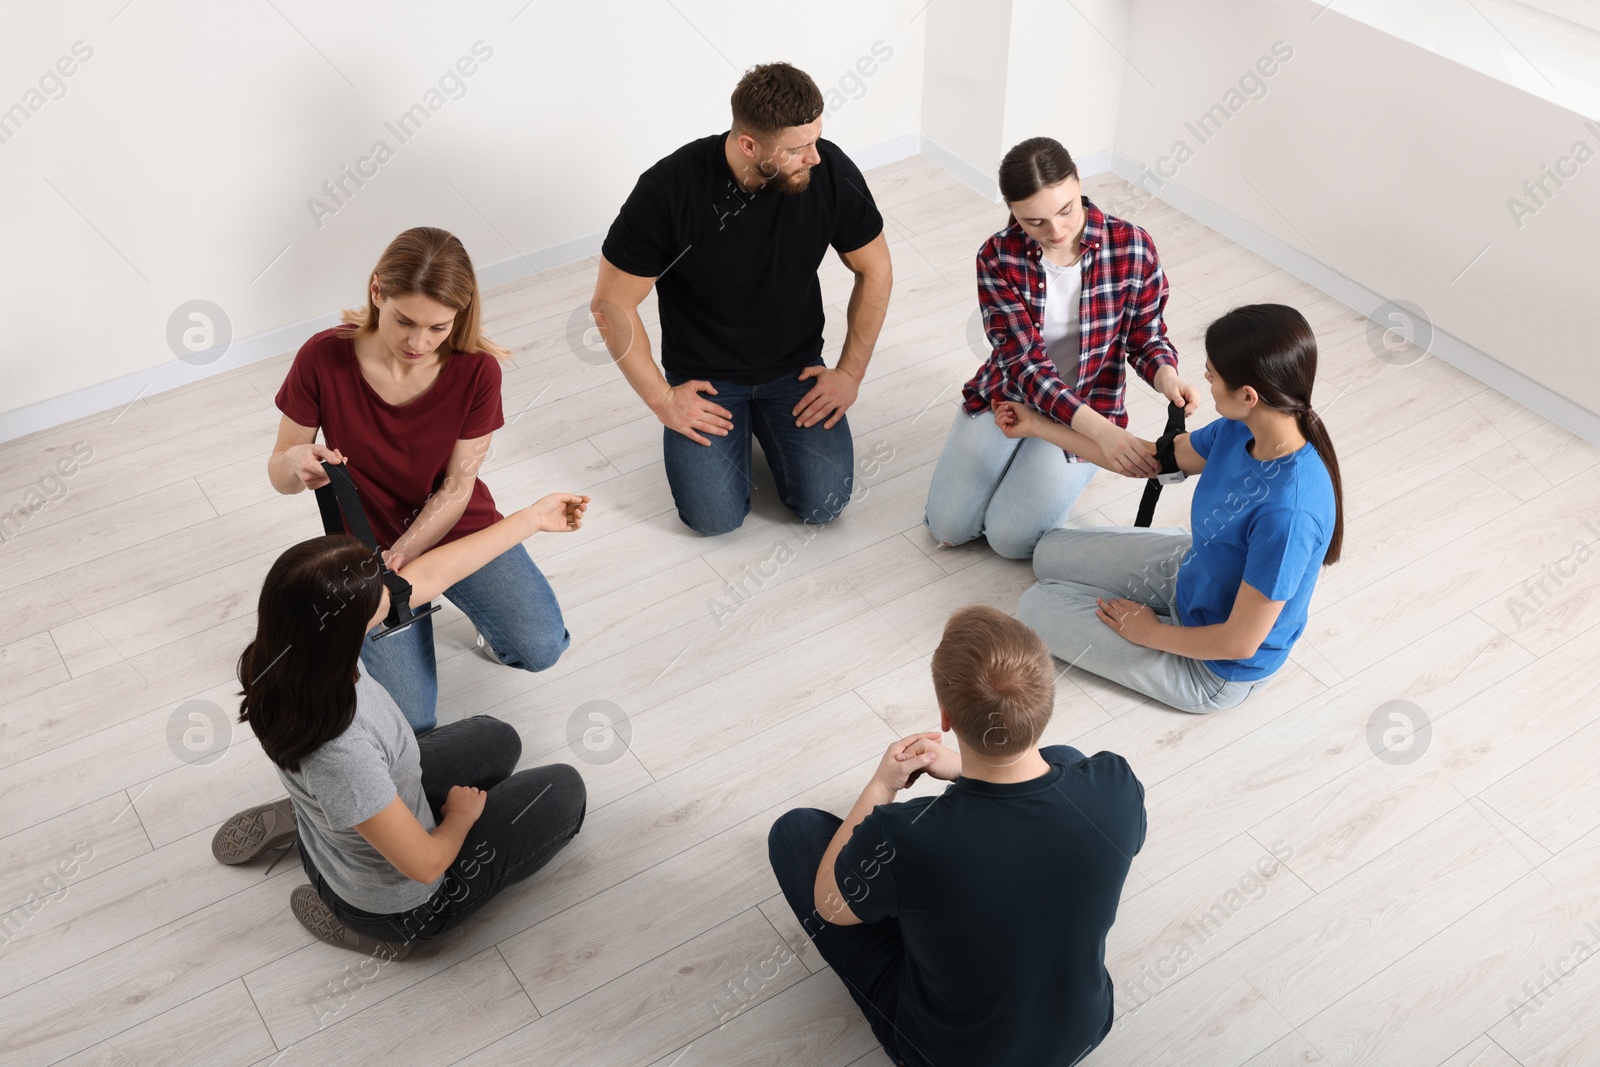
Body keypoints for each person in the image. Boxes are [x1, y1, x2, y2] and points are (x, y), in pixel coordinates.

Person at [215, 491, 591, 959]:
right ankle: (368, 929)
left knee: (500, 739)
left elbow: (433, 573)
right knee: (566, 790)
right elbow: (427, 865)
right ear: (352, 626)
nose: (391, 586)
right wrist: (458, 817)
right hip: (398, 904)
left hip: (344, 816)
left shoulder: (283, 655)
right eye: (379, 587)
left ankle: (324, 813)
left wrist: (533, 518)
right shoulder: (341, 751)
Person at [768, 605, 1146, 1066]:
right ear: (1047, 701)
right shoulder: (1117, 785)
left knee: (795, 833)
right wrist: (968, 771)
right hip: (1083, 1030)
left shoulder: (903, 837)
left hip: (950, 1055)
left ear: (946, 716)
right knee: (1065, 756)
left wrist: (882, 785)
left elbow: (831, 905)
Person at [269, 226, 573, 734]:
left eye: (437, 328)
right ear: (376, 292)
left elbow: (457, 487)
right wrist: (296, 459)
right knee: (412, 719)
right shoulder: (322, 356)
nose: (418, 342)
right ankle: (408, 615)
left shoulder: (478, 371)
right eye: (404, 321)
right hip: (364, 547)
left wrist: (408, 557)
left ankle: (458, 612)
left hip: (457, 527)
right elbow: (279, 472)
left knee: (542, 649)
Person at [591, 61, 893, 536]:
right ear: (749, 145)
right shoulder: (668, 190)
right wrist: (664, 400)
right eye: (798, 149)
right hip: (707, 381)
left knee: (824, 505)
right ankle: (736, 429)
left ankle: (768, 425)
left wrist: (850, 373)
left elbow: (875, 269)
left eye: (816, 139)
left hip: (795, 369)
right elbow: (611, 305)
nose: (815, 157)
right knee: (713, 519)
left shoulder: (828, 169)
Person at [999, 303, 1344, 712]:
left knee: (1036, 605)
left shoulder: (1289, 515)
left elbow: (1240, 640)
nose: (1206, 380)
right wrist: (1038, 425)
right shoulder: (1242, 427)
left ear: (1248, 395)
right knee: (1047, 552)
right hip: (1192, 570)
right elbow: (1152, 460)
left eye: (1213, 374)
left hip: (1213, 668)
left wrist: (1148, 632)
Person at [924, 136, 1198, 559]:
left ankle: (1039, 458)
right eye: (1034, 221)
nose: (1055, 231)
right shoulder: (997, 257)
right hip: (1014, 395)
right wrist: (1105, 435)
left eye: (1065, 209)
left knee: (1010, 541)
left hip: (1089, 406)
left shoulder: (1132, 245)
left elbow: (1146, 335)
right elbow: (1025, 366)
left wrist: (1167, 375)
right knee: (948, 527)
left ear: (1078, 182)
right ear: (1012, 210)